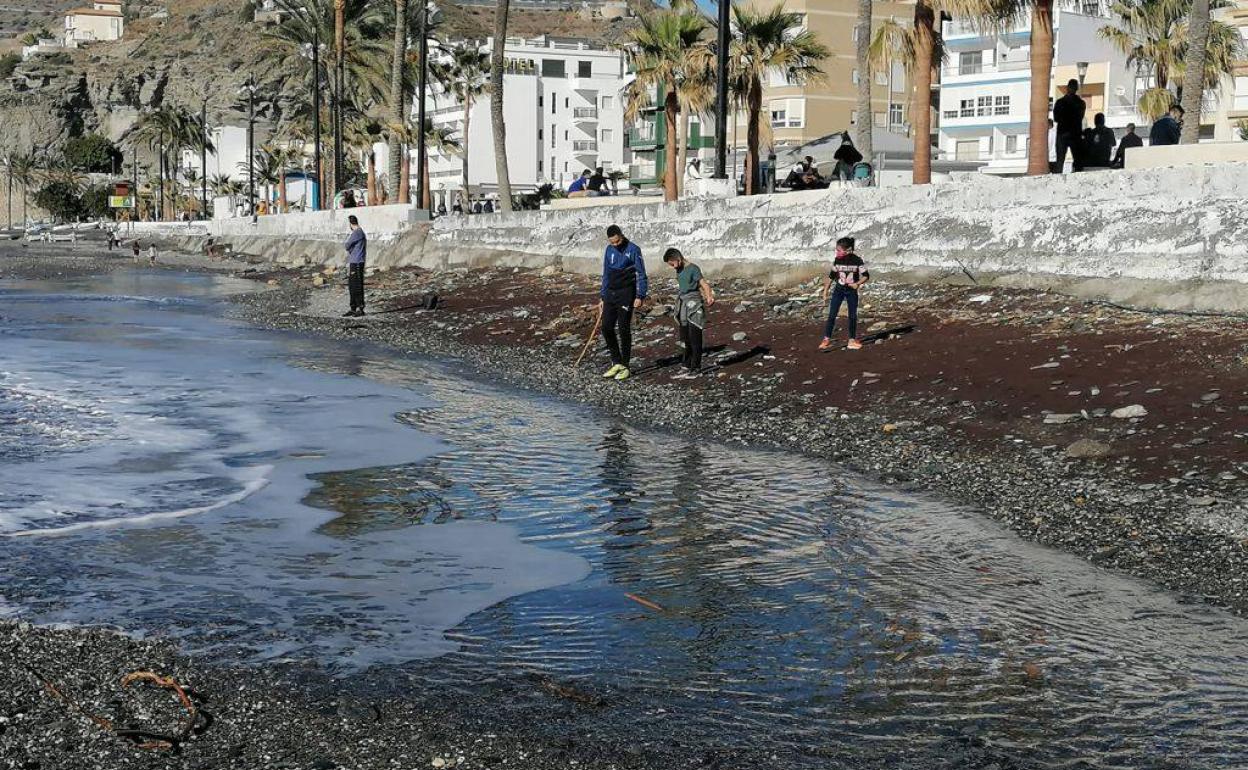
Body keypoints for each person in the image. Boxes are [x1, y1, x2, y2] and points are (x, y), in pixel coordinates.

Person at [598, 224, 648, 382]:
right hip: (611, 293)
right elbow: (606, 273)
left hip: (627, 293)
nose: (615, 245)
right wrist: (602, 296)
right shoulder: (609, 250)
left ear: (621, 235)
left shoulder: (633, 249)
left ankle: (626, 365)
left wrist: (640, 295)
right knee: (606, 327)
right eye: (612, 242)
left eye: (617, 241)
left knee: (624, 328)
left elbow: (641, 274)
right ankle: (616, 361)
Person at [663, 248, 715, 379]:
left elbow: (704, 284)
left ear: (678, 258)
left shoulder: (693, 268)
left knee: (695, 337)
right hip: (683, 304)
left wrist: (709, 297)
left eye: (672, 264)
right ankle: (686, 365)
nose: (672, 267)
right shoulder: (679, 269)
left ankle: (696, 368)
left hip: (694, 303)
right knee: (685, 338)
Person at [819, 236, 869, 351]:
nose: (837, 252)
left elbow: (866, 276)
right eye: (836, 250)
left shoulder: (857, 261)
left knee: (852, 315)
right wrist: (825, 291)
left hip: (851, 291)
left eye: (839, 250)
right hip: (838, 290)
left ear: (848, 250)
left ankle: (851, 340)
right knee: (832, 314)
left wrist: (857, 284)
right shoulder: (837, 260)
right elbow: (831, 276)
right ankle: (826, 339)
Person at [1053, 79, 1087, 172]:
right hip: (1075, 134)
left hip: (1063, 133)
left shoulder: (1060, 102)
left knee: (1060, 160)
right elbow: (1080, 117)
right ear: (1077, 88)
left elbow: (1056, 118)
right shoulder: (1081, 103)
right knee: (1078, 161)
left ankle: (1057, 180)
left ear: (1067, 88)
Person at [343, 214, 367, 317]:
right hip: (355, 261)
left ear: (351, 223)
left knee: (357, 286)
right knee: (352, 286)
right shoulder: (359, 233)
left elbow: (347, 245)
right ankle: (353, 308)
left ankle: (360, 308)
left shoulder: (357, 233)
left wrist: (350, 250)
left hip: (357, 262)